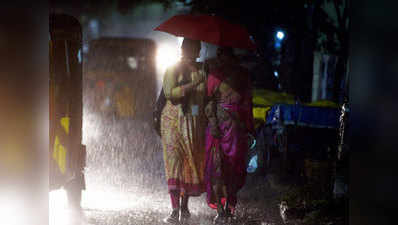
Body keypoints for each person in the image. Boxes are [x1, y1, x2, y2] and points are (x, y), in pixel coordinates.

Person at [204, 47, 255, 224]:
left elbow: (248, 103)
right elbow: (208, 104)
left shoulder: (242, 76)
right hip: (218, 128)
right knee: (217, 169)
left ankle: (228, 207)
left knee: (234, 170)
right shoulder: (213, 76)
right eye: (220, 55)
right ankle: (220, 208)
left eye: (225, 55)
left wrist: (248, 127)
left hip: (236, 130)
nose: (222, 59)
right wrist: (213, 123)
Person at [160, 38, 207, 224]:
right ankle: (174, 209)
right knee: (174, 163)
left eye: (194, 48)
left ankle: (185, 206)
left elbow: (206, 97)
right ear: (182, 49)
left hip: (194, 123)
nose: (190, 51)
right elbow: (169, 92)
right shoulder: (173, 69)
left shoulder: (203, 70)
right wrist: (192, 85)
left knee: (189, 162)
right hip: (172, 122)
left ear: (199, 50)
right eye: (187, 47)